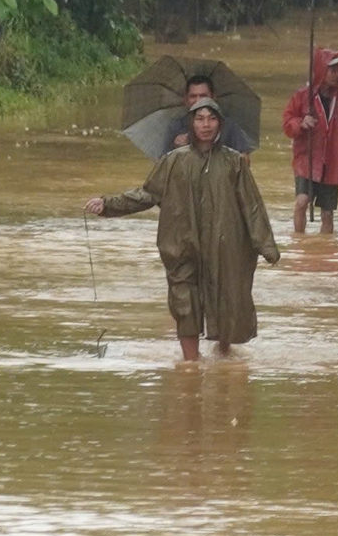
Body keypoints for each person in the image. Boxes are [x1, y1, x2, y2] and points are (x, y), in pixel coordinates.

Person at [85, 97, 280, 361]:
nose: (206, 125)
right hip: (181, 244)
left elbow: (252, 205)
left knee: (227, 301)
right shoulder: (173, 161)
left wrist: (266, 245)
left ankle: (224, 356)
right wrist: (107, 204)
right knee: (184, 303)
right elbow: (147, 194)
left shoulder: (234, 162)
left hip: (224, 246)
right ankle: (191, 365)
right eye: (200, 119)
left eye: (211, 119)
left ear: (220, 124)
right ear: (191, 124)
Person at [281, 47, 338, 234]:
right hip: (307, 160)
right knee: (302, 201)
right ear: (321, 70)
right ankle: (299, 240)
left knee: (327, 213)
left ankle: (325, 251)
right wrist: (301, 123)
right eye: (332, 70)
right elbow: (287, 122)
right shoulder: (303, 97)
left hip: (333, 163)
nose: (336, 75)